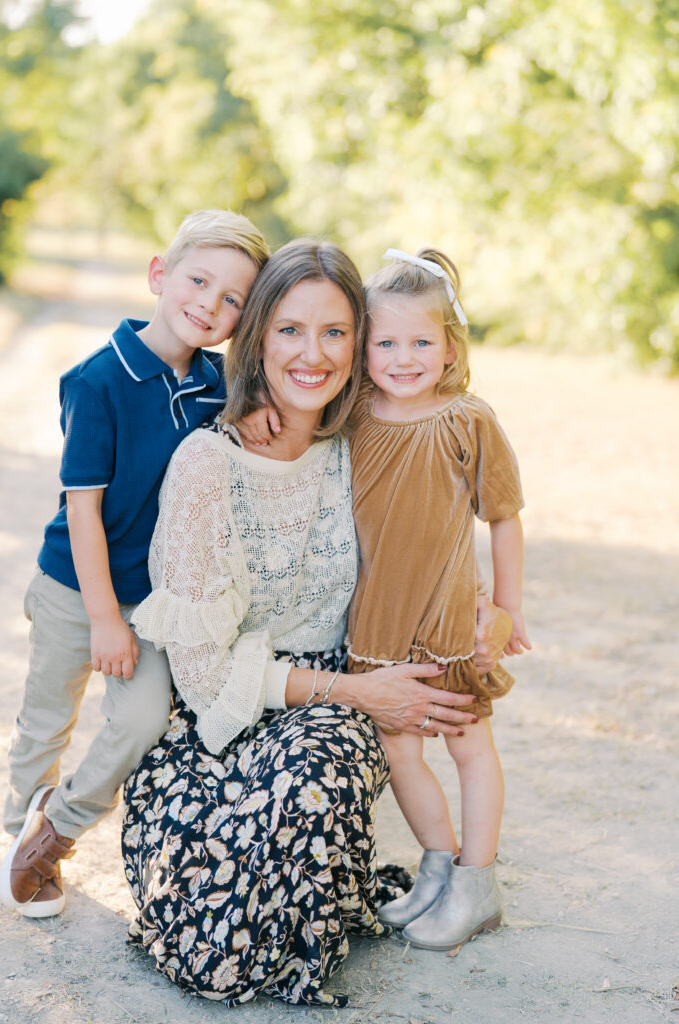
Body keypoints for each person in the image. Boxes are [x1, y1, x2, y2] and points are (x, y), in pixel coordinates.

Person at [121, 239, 493, 1007]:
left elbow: (437, 528)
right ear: (256, 335)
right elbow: (203, 678)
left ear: (361, 344)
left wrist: (479, 608)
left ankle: (431, 881)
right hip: (216, 724)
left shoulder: (363, 444)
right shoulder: (206, 465)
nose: (312, 354)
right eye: (289, 330)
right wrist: (363, 694)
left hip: (329, 716)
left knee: (317, 770)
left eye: (335, 332)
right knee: (214, 936)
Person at [0, 210, 271, 918]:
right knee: (47, 719)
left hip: (150, 602)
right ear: (159, 274)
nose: (208, 304)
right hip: (74, 588)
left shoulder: (219, 386)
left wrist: (254, 418)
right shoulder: (99, 381)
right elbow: (82, 512)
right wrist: (101, 619)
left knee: (143, 717)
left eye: (231, 298)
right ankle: (19, 830)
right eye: (198, 281)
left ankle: (55, 830)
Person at [346, 246, 531, 951]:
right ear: (364, 348)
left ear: (451, 346)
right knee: (399, 750)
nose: (404, 358)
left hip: (449, 618)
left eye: (422, 342)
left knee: (467, 745)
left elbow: (504, 516)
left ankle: (477, 884)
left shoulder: (467, 420)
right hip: (376, 622)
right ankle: (439, 865)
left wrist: (507, 605)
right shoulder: (354, 415)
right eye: (386, 343)